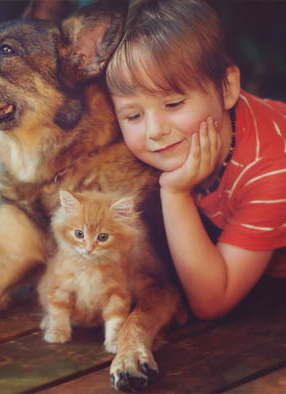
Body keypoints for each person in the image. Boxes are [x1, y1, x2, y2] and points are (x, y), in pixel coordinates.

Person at [106, 0, 286, 320]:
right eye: (133, 115)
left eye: (173, 103)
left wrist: (175, 193)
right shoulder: (199, 126)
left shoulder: (271, 169)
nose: (155, 130)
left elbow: (212, 302)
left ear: (227, 88)